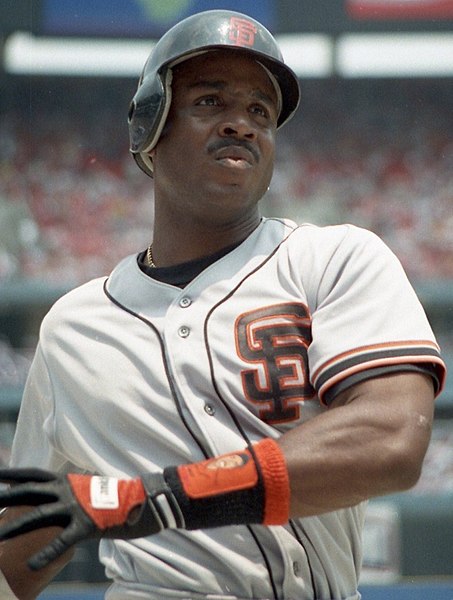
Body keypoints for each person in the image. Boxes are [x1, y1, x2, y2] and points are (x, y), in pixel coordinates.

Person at [0, 9, 446, 600]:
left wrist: (149, 499)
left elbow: (391, 440)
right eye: (211, 102)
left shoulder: (336, 259)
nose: (242, 124)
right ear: (148, 130)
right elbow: (22, 543)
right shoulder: (73, 329)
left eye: (260, 111)